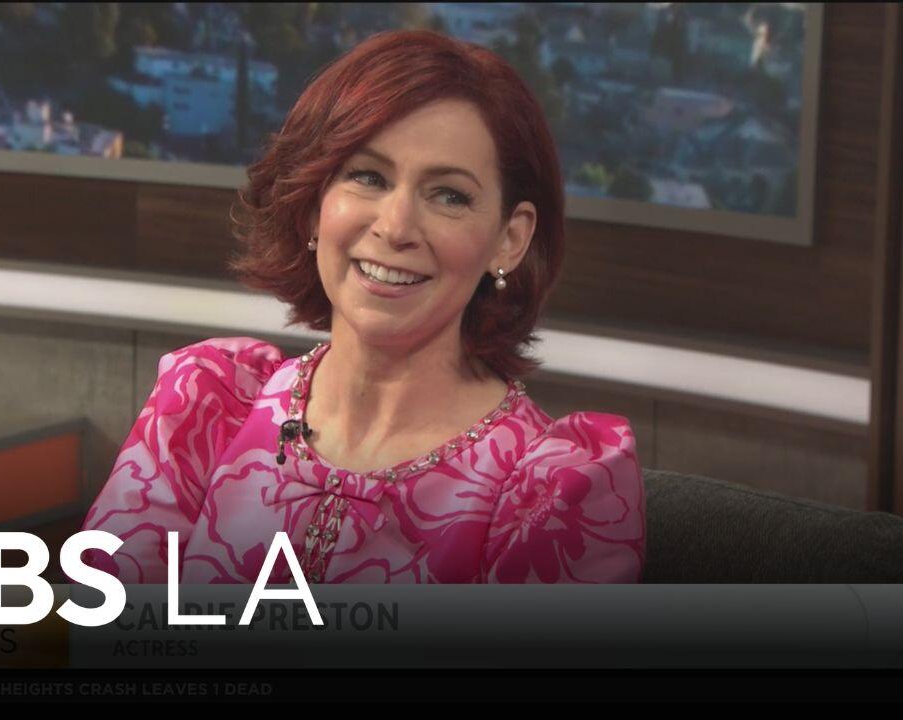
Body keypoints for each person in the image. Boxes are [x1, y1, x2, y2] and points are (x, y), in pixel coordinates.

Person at [79, 29, 644, 584]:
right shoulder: (205, 405)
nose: (395, 227)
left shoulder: (552, 493)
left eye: (449, 195)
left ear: (509, 239)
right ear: (313, 204)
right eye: (368, 177)